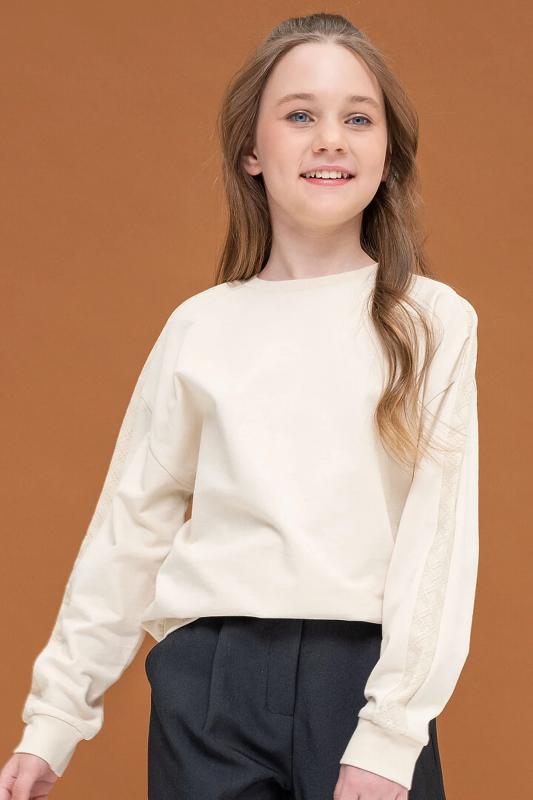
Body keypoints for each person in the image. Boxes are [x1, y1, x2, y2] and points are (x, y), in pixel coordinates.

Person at [2, 12, 479, 800]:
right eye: (300, 115)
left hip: (360, 682)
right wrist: (56, 715)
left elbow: (438, 541)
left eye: (358, 118)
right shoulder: (200, 326)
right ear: (251, 151)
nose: (330, 139)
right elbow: (132, 524)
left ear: (388, 152)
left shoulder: (431, 321)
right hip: (208, 688)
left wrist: (390, 735)